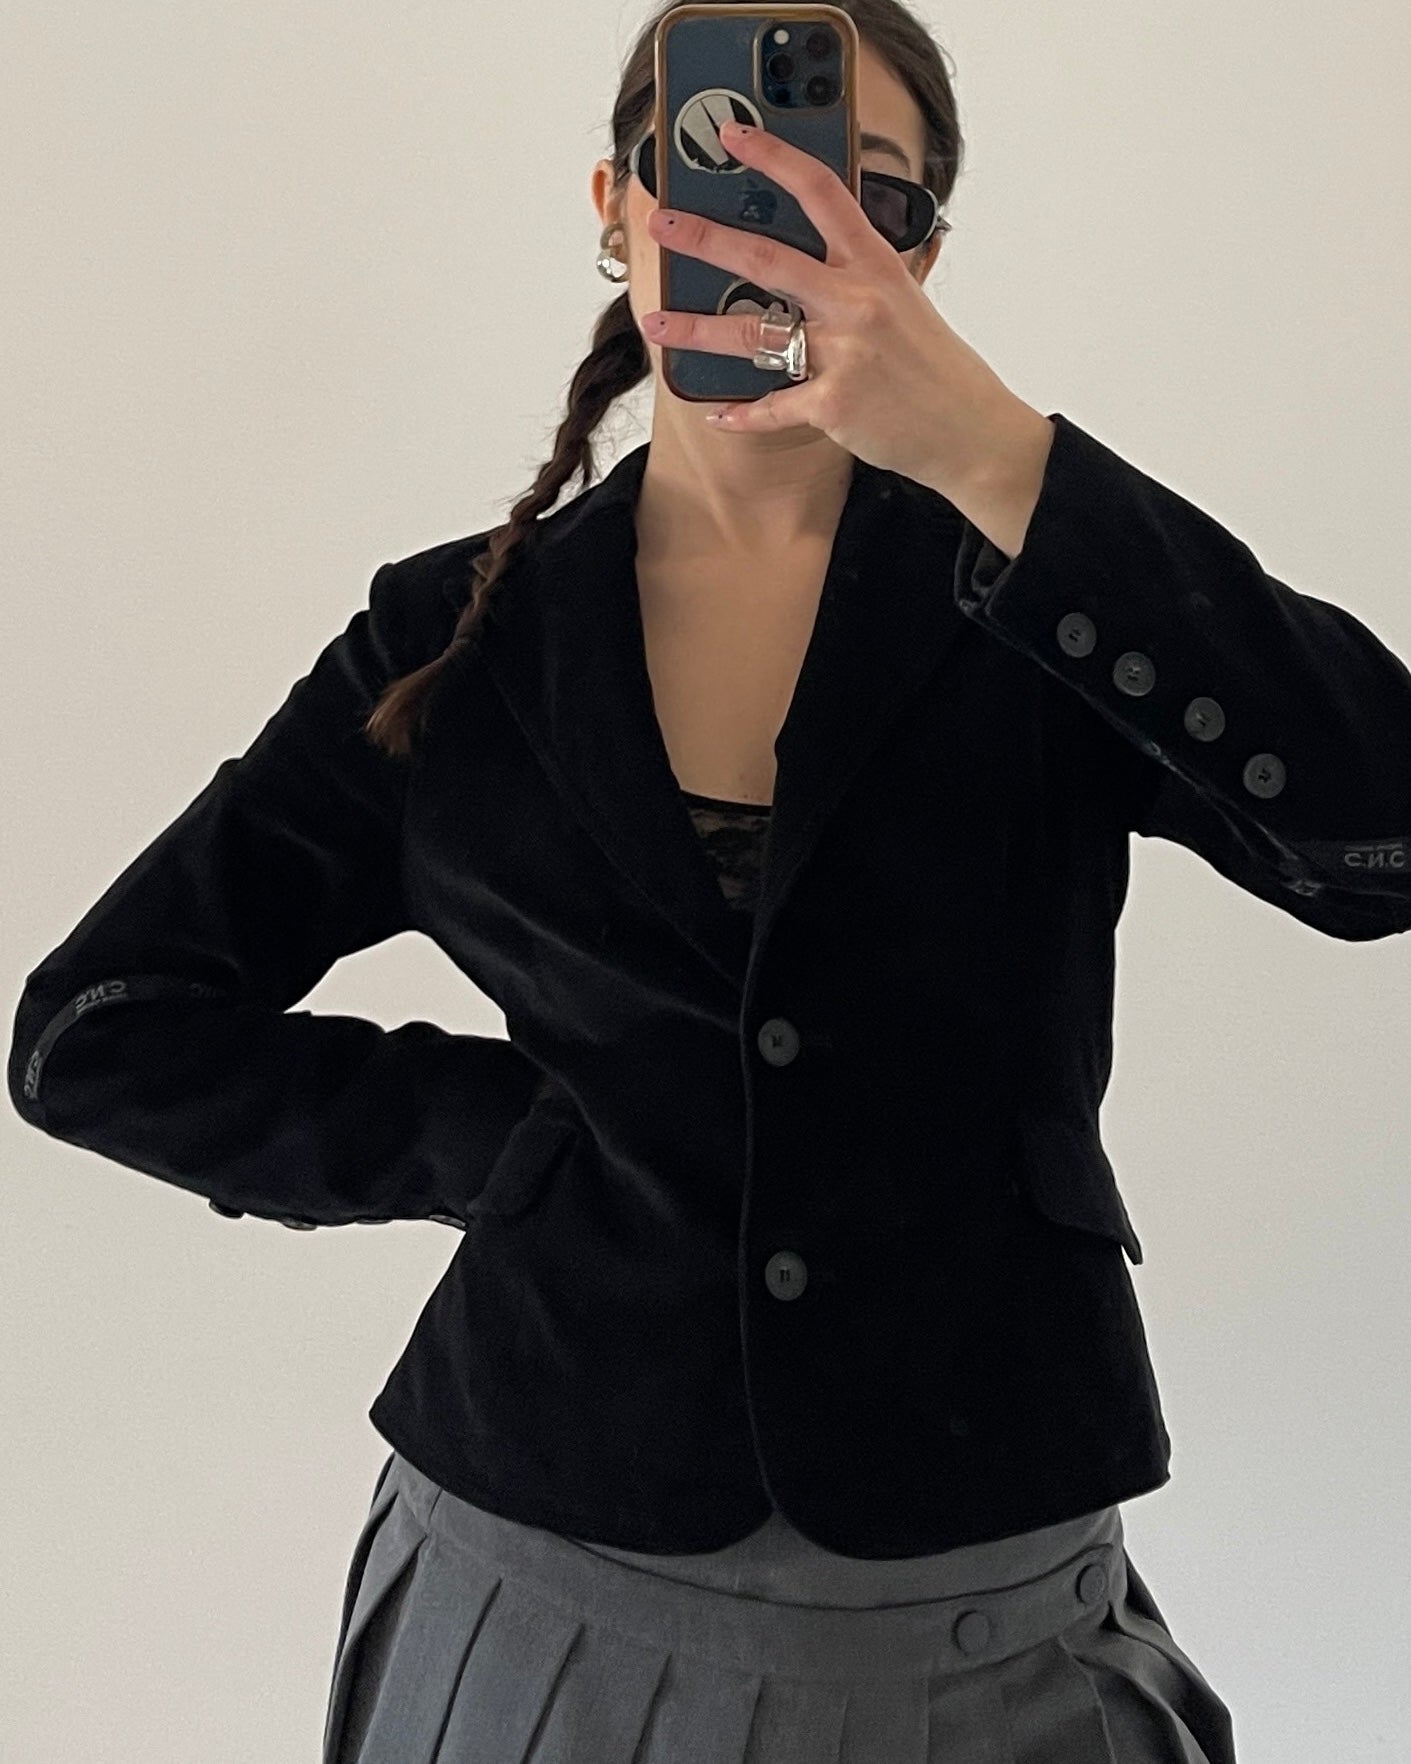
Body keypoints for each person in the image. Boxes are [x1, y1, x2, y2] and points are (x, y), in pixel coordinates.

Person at [15, 1, 1410, 1759]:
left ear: (920, 255)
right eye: (711, 166)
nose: (781, 226)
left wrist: (995, 450)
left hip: (982, 1582)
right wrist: (506, 1143)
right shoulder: (452, 641)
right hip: (536, 1575)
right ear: (616, 205)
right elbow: (98, 1031)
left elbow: (1380, 840)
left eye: (856, 191)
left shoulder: (1044, 593)